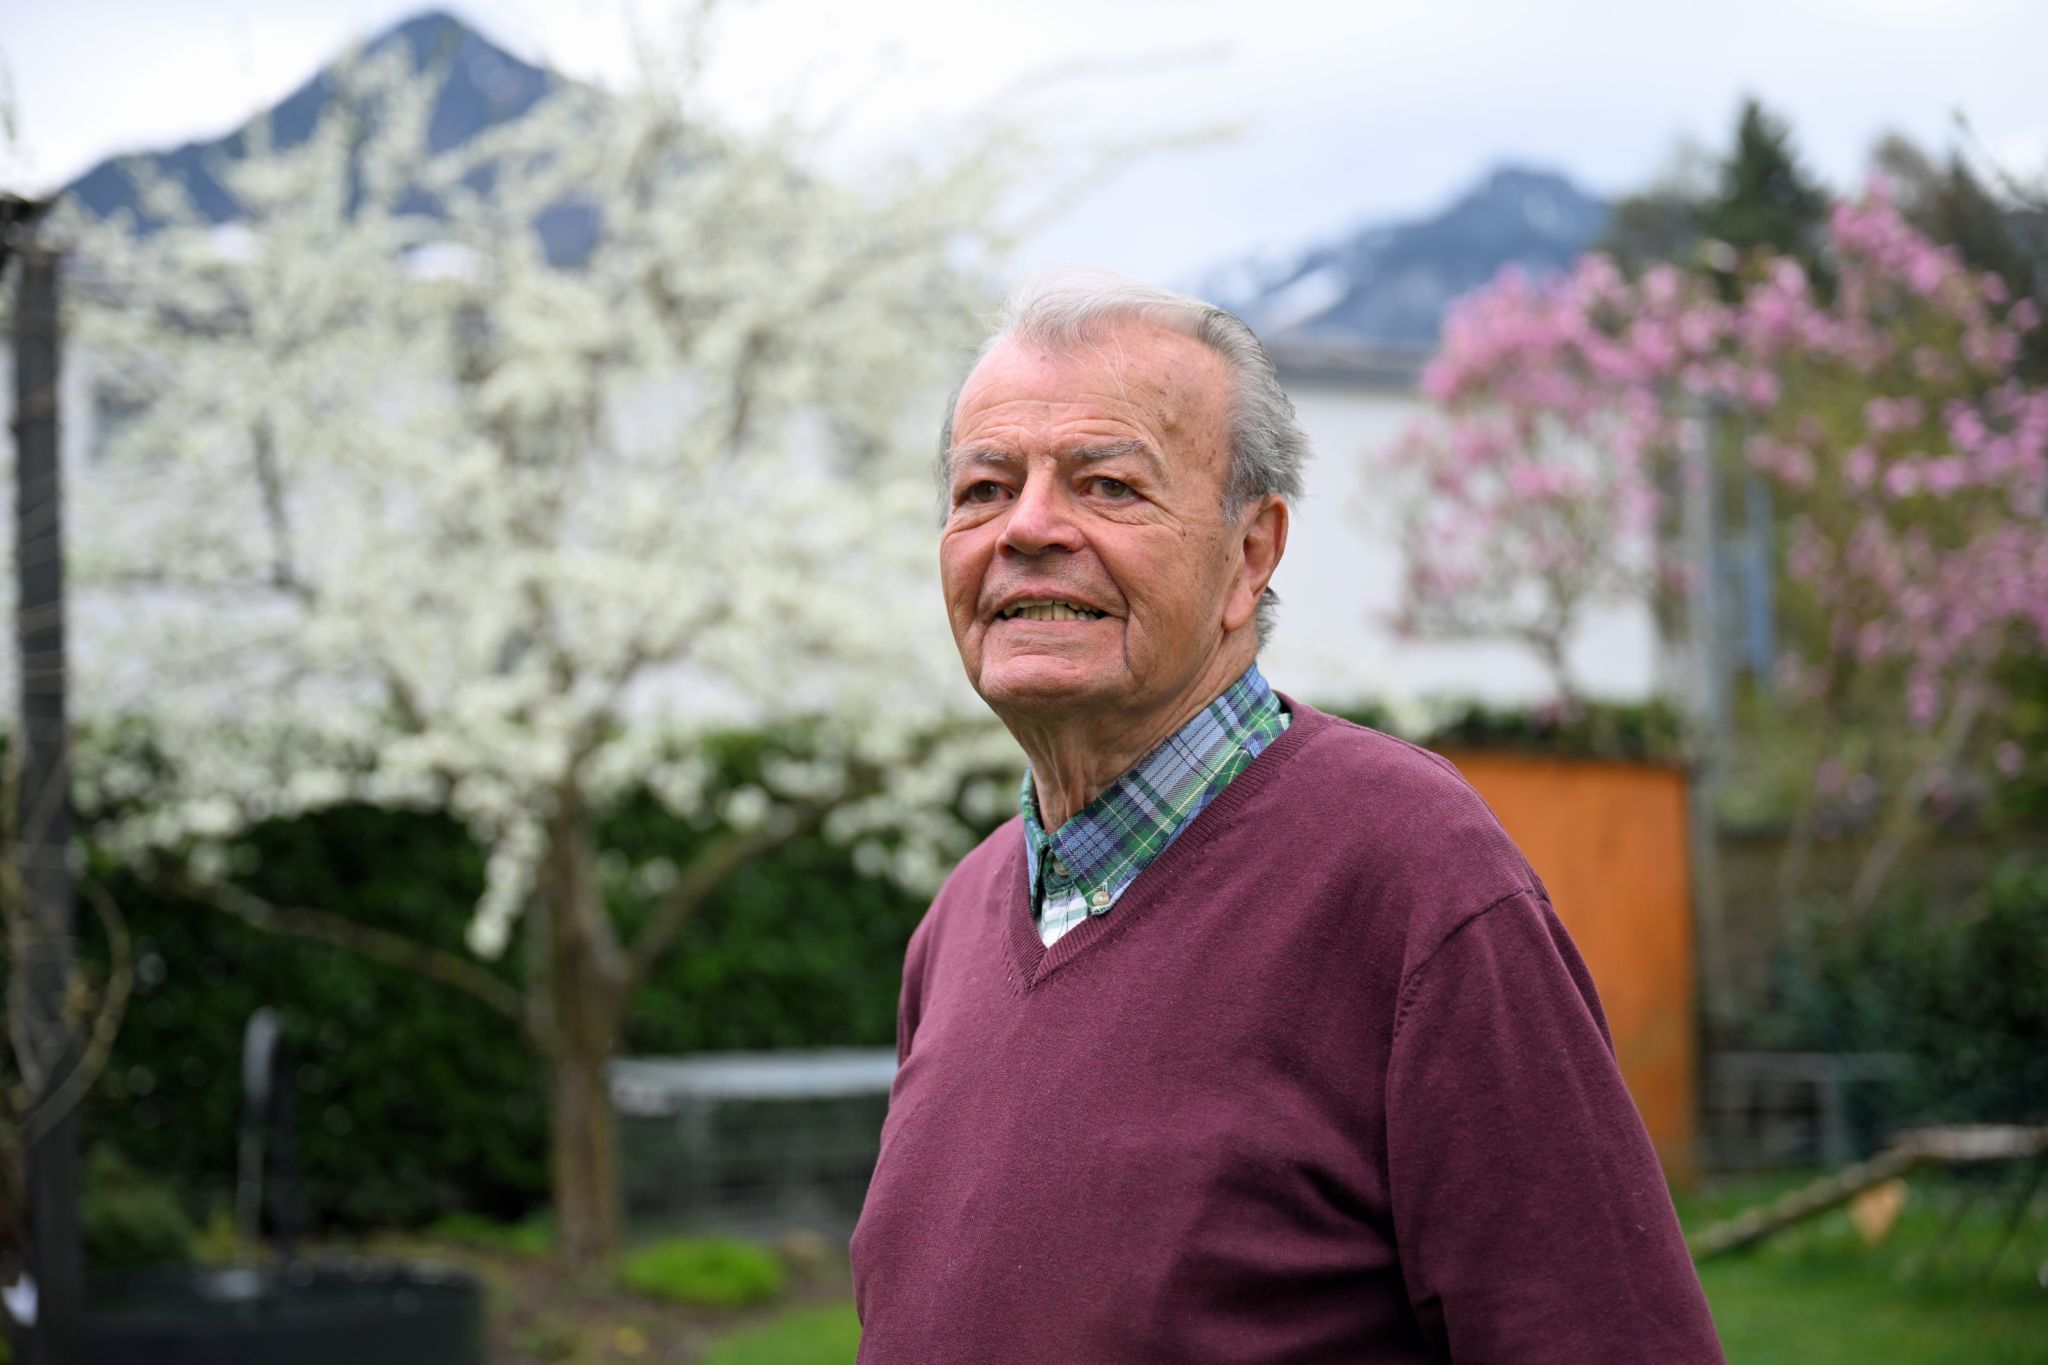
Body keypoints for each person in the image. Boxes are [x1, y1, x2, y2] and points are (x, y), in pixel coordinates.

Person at [849, 271, 1724, 1363]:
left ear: (1249, 554)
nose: (1026, 528)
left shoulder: (1414, 878)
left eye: (1106, 486)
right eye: (982, 489)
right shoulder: (956, 927)